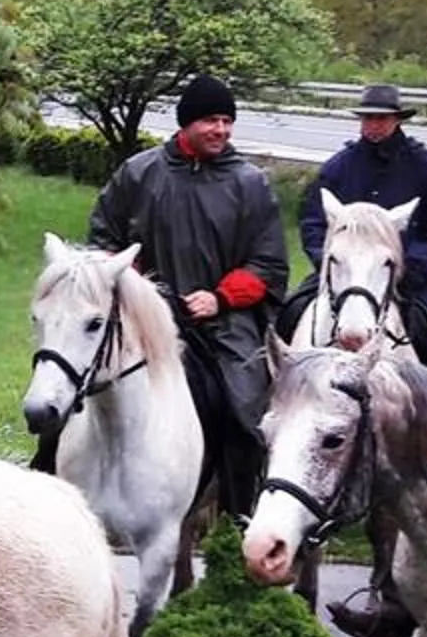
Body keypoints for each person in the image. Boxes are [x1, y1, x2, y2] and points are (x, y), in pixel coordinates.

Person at [88, 74, 290, 504]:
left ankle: (241, 512)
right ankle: (53, 480)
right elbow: (104, 243)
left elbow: (268, 264)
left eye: (226, 121)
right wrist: (140, 290)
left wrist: (219, 297)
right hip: (143, 318)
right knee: (76, 385)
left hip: (223, 323)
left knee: (246, 410)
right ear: (185, 125)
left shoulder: (250, 183)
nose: (220, 130)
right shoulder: (139, 173)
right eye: (210, 121)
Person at [296, 82, 427, 357]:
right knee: (290, 312)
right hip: (343, 274)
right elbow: (313, 223)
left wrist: (407, 271)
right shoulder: (338, 168)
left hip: (412, 277)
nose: (374, 125)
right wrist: (330, 263)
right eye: (368, 118)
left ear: (397, 119)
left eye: (381, 118)